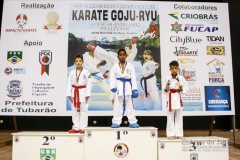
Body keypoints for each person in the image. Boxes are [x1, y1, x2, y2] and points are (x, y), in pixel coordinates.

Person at [110, 49, 140, 128]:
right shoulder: (115, 66)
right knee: (117, 105)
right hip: (119, 86)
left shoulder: (130, 65)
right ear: (118, 56)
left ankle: (133, 121)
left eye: (124, 55)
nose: (122, 56)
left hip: (128, 87)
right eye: (120, 55)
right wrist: (113, 86)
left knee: (130, 106)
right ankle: (116, 121)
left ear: (126, 56)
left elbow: (133, 78)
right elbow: (112, 77)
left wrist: (134, 89)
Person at [66, 55, 91, 134]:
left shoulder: (86, 72)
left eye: (80, 61)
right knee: (74, 110)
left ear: (82, 62)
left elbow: (89, 84)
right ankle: (76, 127)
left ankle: (83, 127)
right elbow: (69, 83)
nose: (78, 62)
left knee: (84, 110)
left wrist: (87, 95)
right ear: (74, 62)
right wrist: (68, 94)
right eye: (76, 61)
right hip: (74, 92)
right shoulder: (72, 72)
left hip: (83, 91)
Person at [163, 60, 188, 140]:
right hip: (170, 99)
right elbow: (164, 90)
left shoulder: (181, 78)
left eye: (175, 68)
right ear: (170, 69)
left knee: (179, 117)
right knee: (170, 118)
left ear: (178, 69)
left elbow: (186, 88)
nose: (174, 70)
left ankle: (179, 134)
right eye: (172, 68)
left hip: (178, 99)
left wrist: (181, 89)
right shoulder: (167, 78)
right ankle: (170, 134)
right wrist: (166, 89)